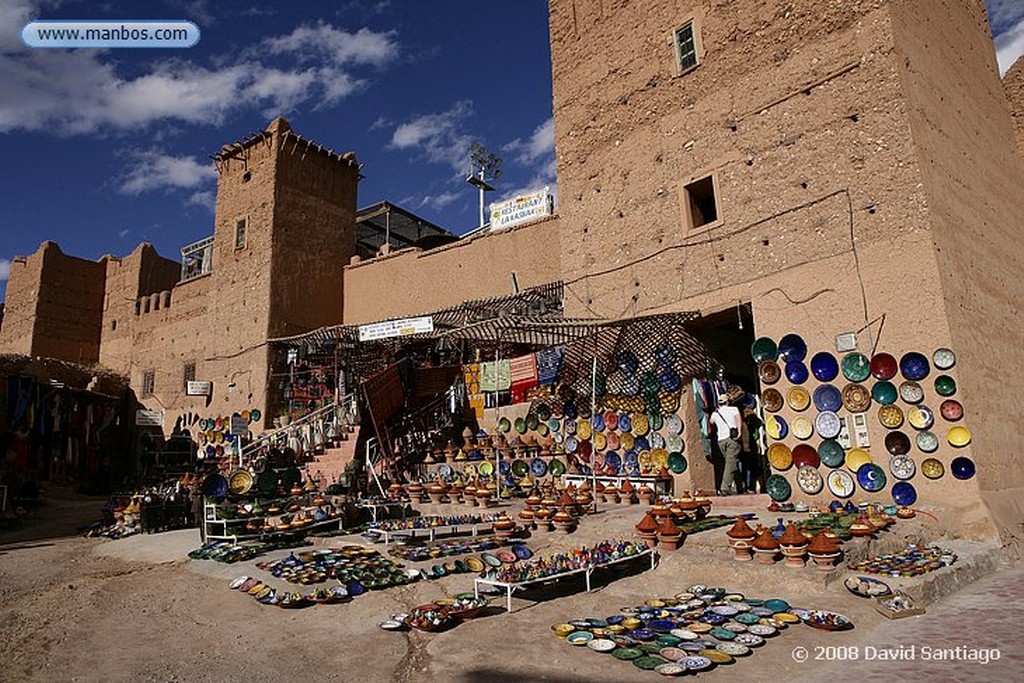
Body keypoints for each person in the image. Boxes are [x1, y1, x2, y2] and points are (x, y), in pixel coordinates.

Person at [710, 393, 742, 495]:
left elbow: (711, 422)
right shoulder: (734, 409)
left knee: (731, 462)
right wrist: (740, 432)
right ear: (727, 401)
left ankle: (737, 486)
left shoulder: (715, 414)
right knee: (730, 463)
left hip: (721, 440)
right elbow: (738, 420)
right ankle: (724, 488)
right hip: (732, 439)